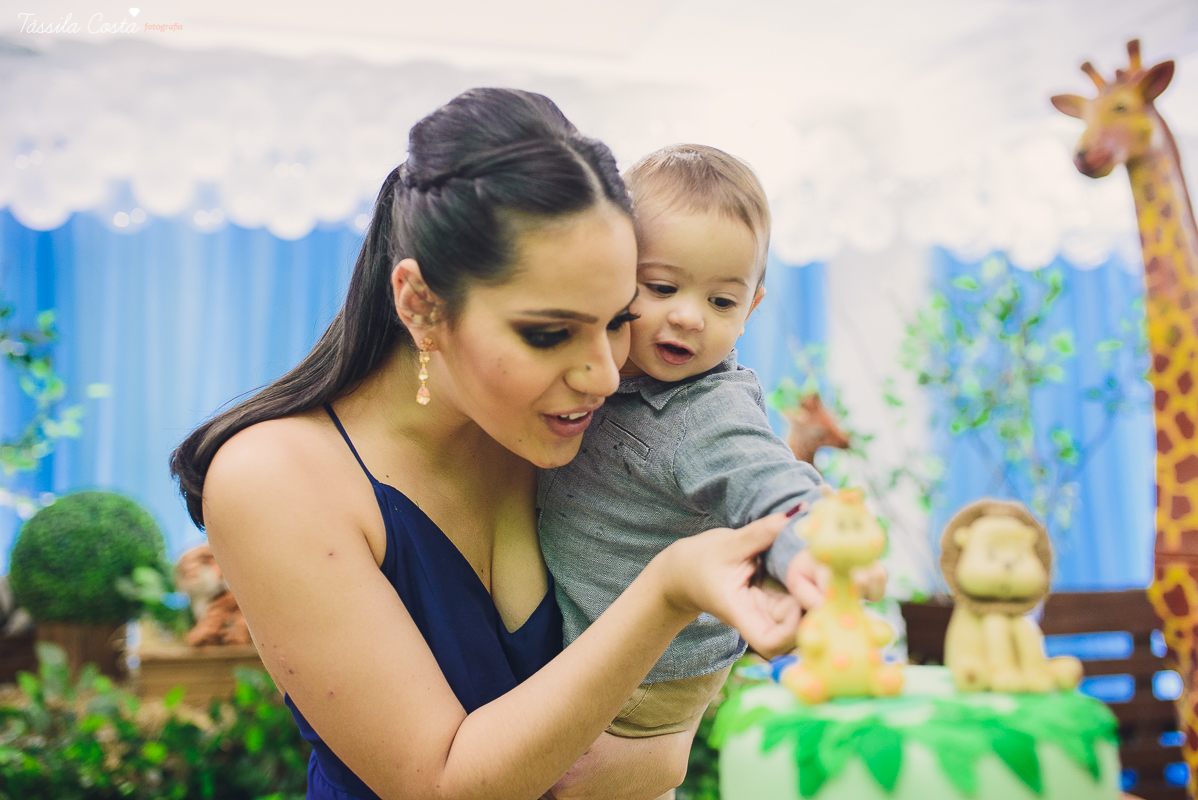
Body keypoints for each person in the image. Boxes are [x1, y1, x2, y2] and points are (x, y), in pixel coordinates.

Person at [170, 89, 807, 800]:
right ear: (420, 303)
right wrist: (667, 592)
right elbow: (442, 784)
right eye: (547, 333)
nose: (601, 373)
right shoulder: (276, 478)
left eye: (616, 319)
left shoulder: (551, 434)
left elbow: (661, 737)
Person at [539, 145, 884, 746]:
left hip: (649, 676)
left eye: (721, 301)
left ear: (751, 308)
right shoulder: (606, 372)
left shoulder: (705, 410)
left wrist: (810, 547)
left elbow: (770, 482)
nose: (690, 316)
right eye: (662, 287)